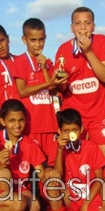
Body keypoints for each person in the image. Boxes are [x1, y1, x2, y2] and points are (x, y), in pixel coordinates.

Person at [55, 7, 105, 159]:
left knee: (104, 153)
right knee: (73, 155)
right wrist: (60, 81)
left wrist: (88, 51)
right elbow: (61, 88)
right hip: (74, 113)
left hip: (98, 113)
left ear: (93, 26)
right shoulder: (63, 49)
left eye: (87, 23)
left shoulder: (101, 41)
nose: (83, 27)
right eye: (78, 23)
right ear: (72, 28)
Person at [0, 99, 57, 211]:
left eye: (21, 120)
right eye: (12, 120)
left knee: (35, 206)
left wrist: (49, 173)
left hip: (19, 186)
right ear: (2, 121)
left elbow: (41, 172)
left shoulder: (30, 144)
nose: (17, 125)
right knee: (3, 173)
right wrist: (1, 165)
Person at [14, 18, 66, 163]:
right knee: (33, 167)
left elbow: (53, 90)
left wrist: (44, 69)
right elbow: (22, 91)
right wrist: (48, 83)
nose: (38, 45)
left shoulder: (48, 63)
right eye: (33, 40)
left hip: (49, 124)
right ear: (24, 40)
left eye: (41, 40)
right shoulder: (20, 61)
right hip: (31, 126)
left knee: (51, 166)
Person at [52, 109, 105, 211]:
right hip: (70, 197)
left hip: (89, 197)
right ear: (59, 132)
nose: (71, 134)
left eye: (74, 130)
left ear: (81, 129)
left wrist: (85, 204)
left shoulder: (91, 147)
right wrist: (60, 150)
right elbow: (58, 175)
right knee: (51, 180)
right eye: (66, 131)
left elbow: (99, 179)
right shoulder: (58, 148)